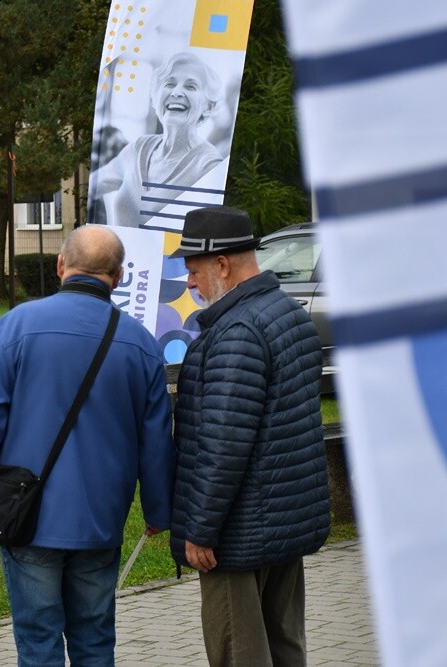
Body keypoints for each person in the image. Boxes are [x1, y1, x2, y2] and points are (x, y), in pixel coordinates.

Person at [0, 225, 175, 666]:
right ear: (118, 276)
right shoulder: (142, 344)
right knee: (94, 639)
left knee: (38, 641)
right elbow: (156, 439)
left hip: (28, 511)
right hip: (100, 517)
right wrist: (158, 510)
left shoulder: (15, 325)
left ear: (61, 265)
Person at [168, 206, 330, 666]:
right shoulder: (288, 313)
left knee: (240, 654)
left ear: (221, 265)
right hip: (284, 520)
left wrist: (201, 531)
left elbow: (224, 445)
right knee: (285, 646)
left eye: (193, 271)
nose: (190, 283)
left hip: (237, 534)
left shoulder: (237, 332)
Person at [94, 51, 224, 228]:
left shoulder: (209, 166)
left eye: (191, 86)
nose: (176, 92)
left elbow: (211, 229)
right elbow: (92, 185)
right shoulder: (138, 149)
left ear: (208, 106)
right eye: (170, 84)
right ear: (156, 97)